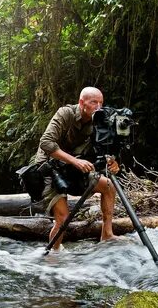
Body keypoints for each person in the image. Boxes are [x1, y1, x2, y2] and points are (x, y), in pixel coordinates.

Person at [34, 86, 120, 250]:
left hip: (73, 169)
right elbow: (45, 142)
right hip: (49, 170)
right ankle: (54, 255)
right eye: (93, 102)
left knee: (109, 186)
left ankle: (107, 234)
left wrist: (112, 161)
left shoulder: (100, 121)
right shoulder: (66, 113)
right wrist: (75, 161)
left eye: (101, 103)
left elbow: (103, 150)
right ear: (82, 103)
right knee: (63, 218)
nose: (98, 107)